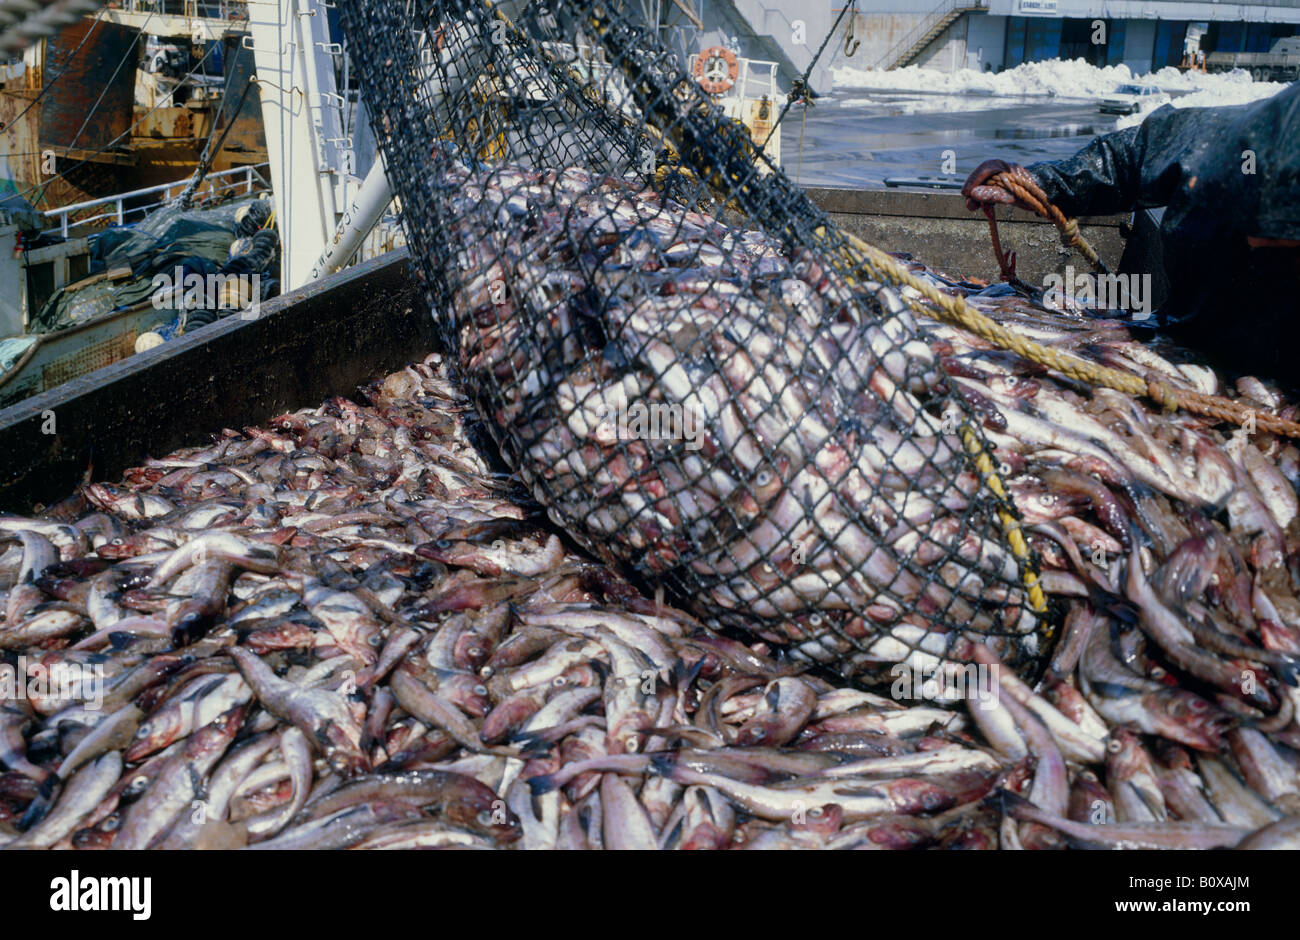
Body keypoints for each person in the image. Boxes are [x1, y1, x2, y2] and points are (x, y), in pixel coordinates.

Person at [962, 83, 1299, 380]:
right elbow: (1134, 156)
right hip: (1184, 339)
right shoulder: (1227, 143)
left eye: (1280, 240)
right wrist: (1041, 184)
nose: (1255, 241)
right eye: (1248, 214)